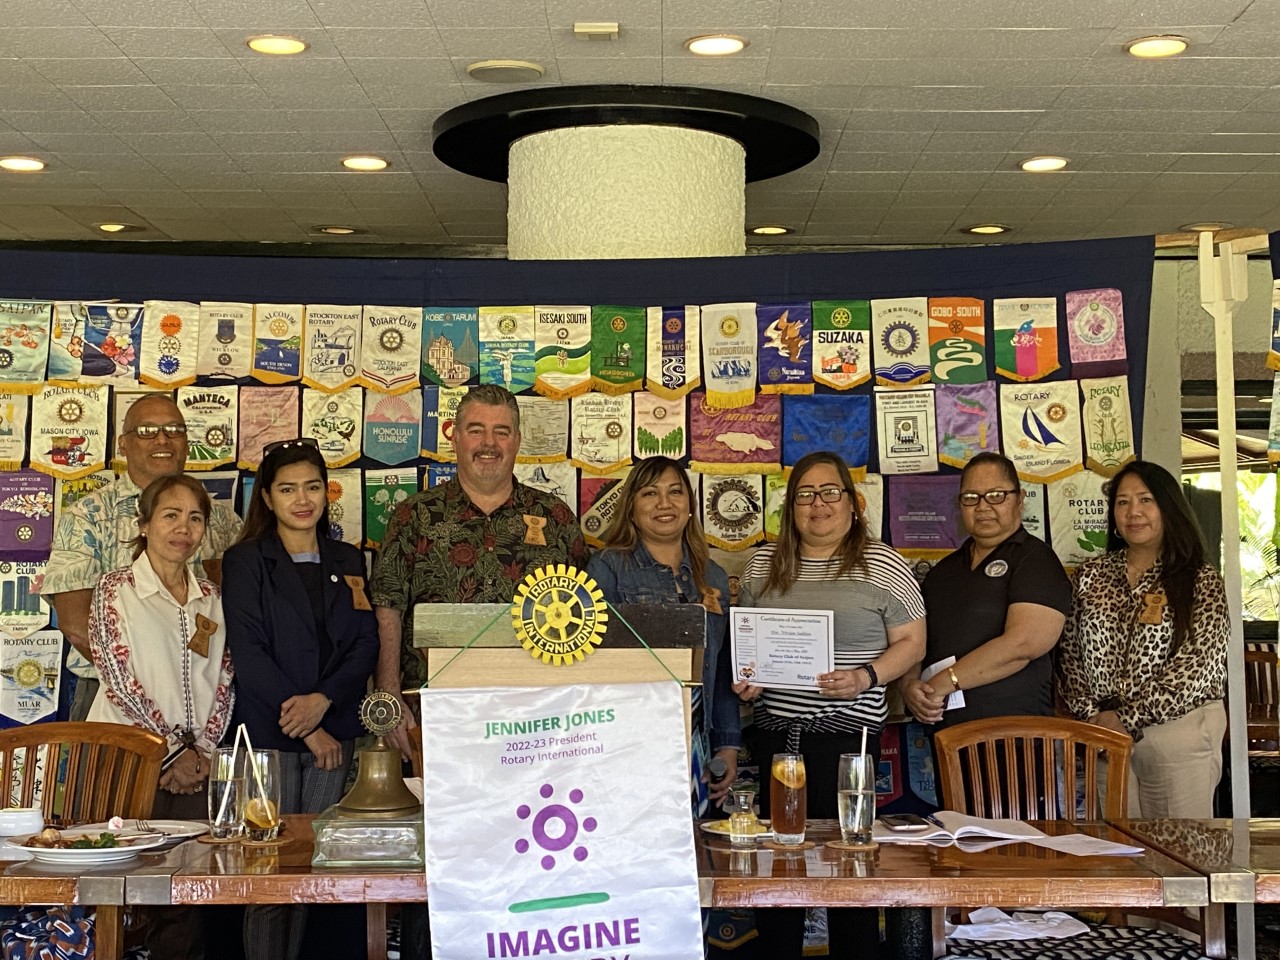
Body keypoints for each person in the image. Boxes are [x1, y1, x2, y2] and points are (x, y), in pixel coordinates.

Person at [369, 384, 587, 960]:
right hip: (437, 725)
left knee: (529, 849)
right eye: (476, 430)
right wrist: (391, 695)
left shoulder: (554, 517)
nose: (488, 444)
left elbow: (588, 616)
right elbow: (388, 603)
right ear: (454, 437)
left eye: (501, 432)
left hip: (533, 726)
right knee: (440, 857)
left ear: (517, 440)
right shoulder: (416, 516)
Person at [734, 450, 926, 960]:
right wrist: (747, 678)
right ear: (790, 506)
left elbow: (912, 642)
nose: (818, 505)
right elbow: (745, 642)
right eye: (805, 495)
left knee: (850, 867)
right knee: (779, 865)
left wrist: (867, 675)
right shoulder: (762, 562)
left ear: (852, 502)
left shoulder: (882, 563)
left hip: (849, 739)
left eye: (829, 493)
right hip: (777, 737)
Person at [221, 438, 379, 960]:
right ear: (267, 497)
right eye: (287, 489)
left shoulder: (346, 557)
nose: (302, 499)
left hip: (335, 730)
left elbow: (363, 643)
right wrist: (307, 723)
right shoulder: (245, 561)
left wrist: (325, 705)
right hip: (273, 733)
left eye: (312, 486)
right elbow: (248, 651)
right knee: (268, 874)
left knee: (317, 870)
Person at [87, 474, 233, 960]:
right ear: (144, 524)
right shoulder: (116, 590)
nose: (183, 529)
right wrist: (169, 752)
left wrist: (204, 753)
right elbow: (119, 676)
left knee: (187, 891)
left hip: (197, 769)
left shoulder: (210, 597)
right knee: (121, 890)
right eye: (170, 515)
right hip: (128, 761)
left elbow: (225, 678)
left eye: (195, 518)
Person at [42, 394, 241, 721]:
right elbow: (78, 626)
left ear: (187, 443)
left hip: (205, 701)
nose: (162, 439)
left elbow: (241, 617)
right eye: (147, 430)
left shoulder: (222, 521)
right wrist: (153, 692)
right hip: (111, 694)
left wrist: (196, 690)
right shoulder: (88, 516)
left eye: (174, 429)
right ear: (123, 444)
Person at [1057, 460, 1228, 818]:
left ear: (1168, 508)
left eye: (1145, 500)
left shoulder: (1199, 579)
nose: (1133, 512)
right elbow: (1069, 653)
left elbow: (1199, 665)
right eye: (1122, 502)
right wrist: (1094, 719)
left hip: (1174, 732)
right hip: (1105, 736)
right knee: (1119, 854)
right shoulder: (1091, 575)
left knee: (1180, 852)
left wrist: (1129, 717)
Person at [586, 456, 740, 805]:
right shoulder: (608, 568)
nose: (664, 504)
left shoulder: (713, 576)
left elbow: (723, 668)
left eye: (675, 492)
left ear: (689, 505)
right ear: (631, 507)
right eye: (650, 494)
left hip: (695, 748)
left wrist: (728, 745)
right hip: (624, 742)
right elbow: (590, 666)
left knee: (692, 847)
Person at [900, 452, 1072, 729]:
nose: (982, 507)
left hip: (1015, 734)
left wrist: (948, 681)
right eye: (971, 498)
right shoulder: (942, 571)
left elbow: (1024, 643)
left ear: (1019, 499)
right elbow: (913, 641)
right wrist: (909, 686)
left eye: (996, 495)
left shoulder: (1034, 559)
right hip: (949, 735)